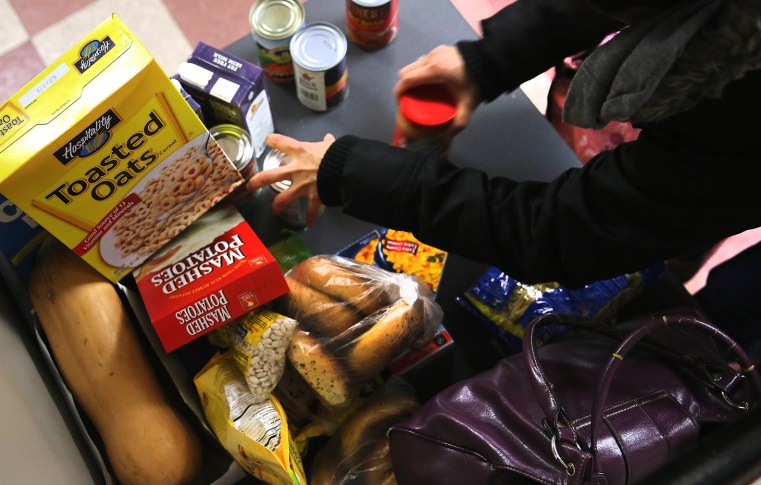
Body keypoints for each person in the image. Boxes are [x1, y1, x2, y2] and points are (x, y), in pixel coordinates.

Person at [245, 0, 761, 351]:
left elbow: (564, 231)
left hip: (698, 183)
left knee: (709, 320)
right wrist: (489, 62)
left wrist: (351, 170)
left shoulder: (738, 113)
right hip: (666, 150)